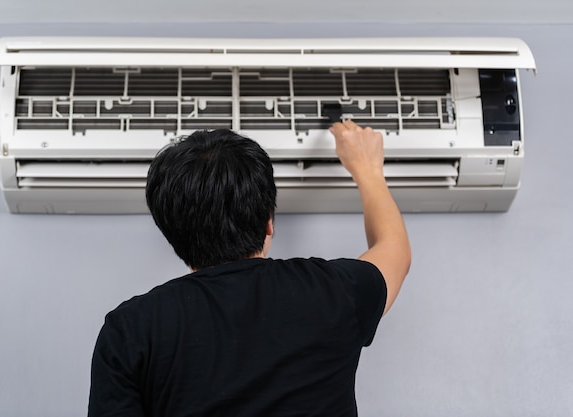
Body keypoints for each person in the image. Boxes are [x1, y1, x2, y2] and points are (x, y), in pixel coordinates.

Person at [88, 121, 411, 417]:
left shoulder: (129, 330)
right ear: (268, 221)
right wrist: (367, 171)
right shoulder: (333, 291)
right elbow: (395, 249)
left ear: (170, 231)